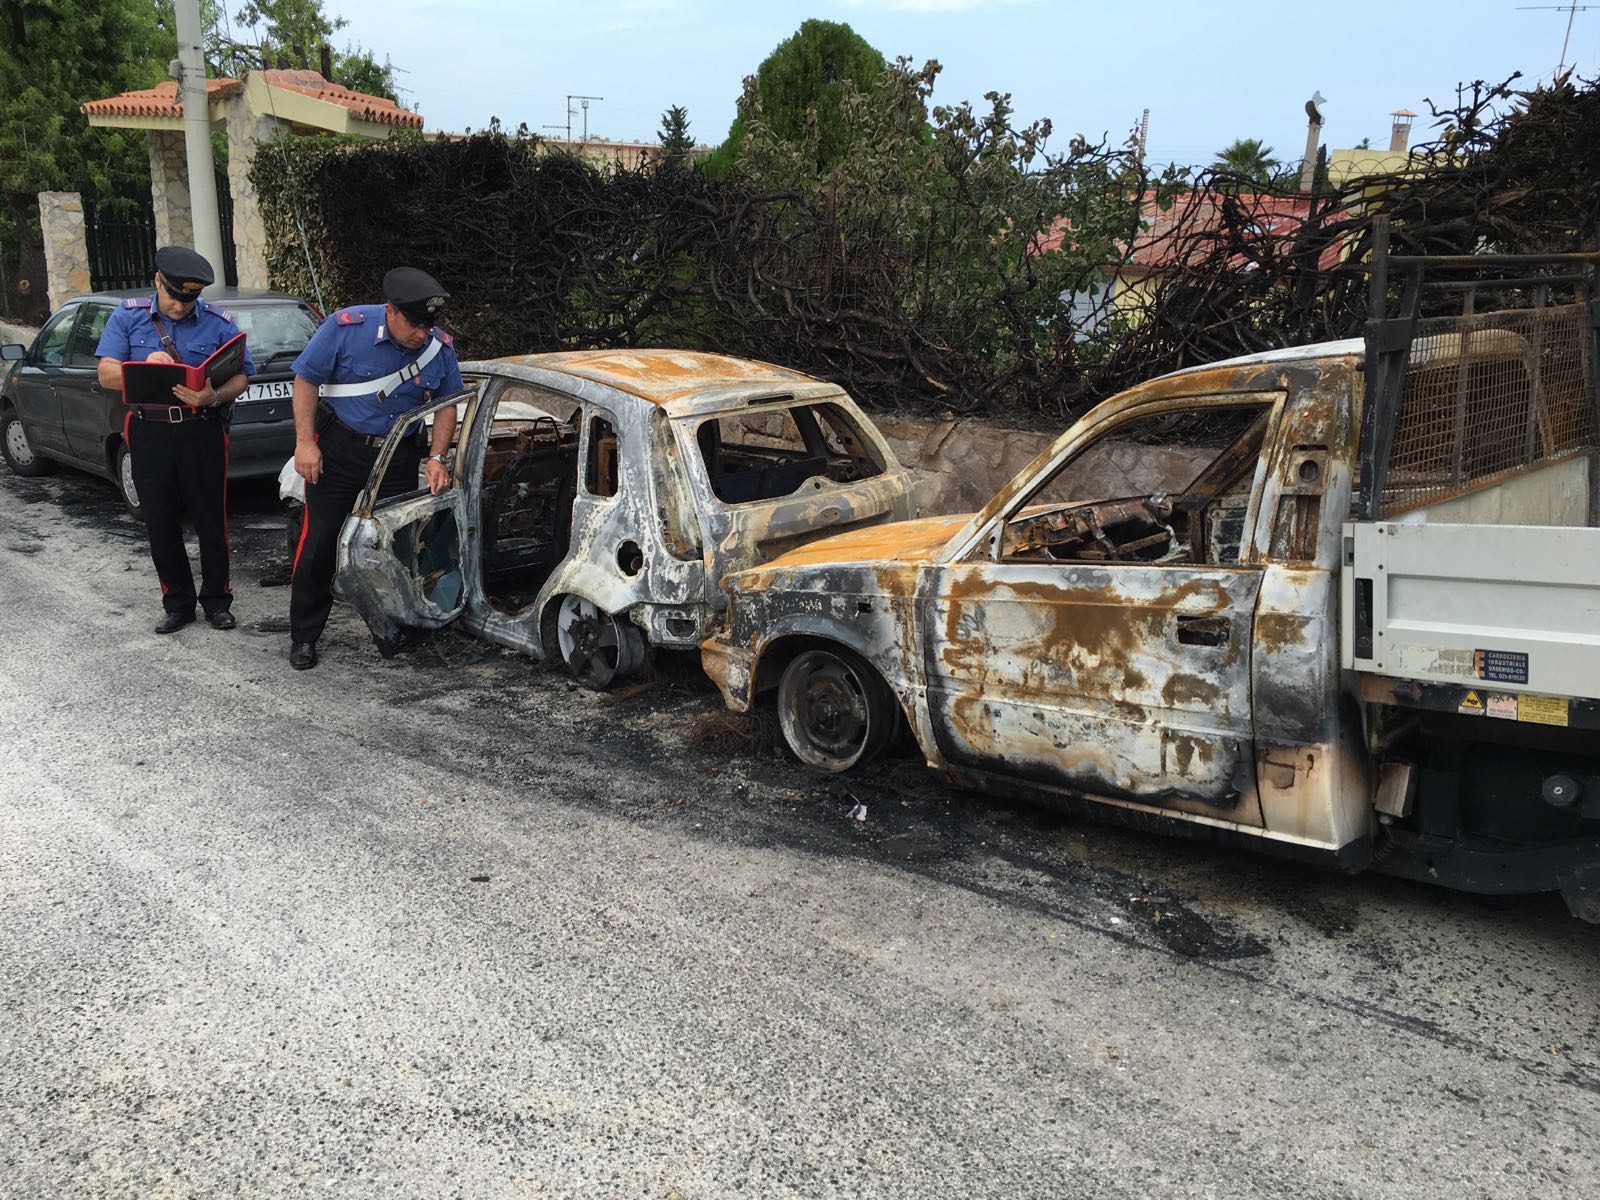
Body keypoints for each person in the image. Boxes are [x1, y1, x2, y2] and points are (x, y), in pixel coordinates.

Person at [286, 266, 462, 670]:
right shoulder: (346, 328)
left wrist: (437, 456)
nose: (423, 334)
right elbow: (306, 380)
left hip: (396, 458)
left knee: (395, 548)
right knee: (319, 544)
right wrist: (305, 441)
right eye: (416, 325)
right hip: (340, 451)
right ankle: (305, 637)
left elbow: (448, 403)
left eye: (429, 326)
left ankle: (396, 629)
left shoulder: (438, 348)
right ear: (391, 311)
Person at [95, 246, 254, 634]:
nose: (181, 307)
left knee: (210, 519)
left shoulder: (217, 322)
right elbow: (105, 374)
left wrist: (213, 396)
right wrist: (141, 367)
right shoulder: (128, 316)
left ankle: (217, 600)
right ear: (157, 283)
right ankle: (177, 603)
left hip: (201, 429)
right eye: (174, 298)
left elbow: (242, 375)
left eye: (189, 299)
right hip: (149, 430)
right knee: (160, 521)